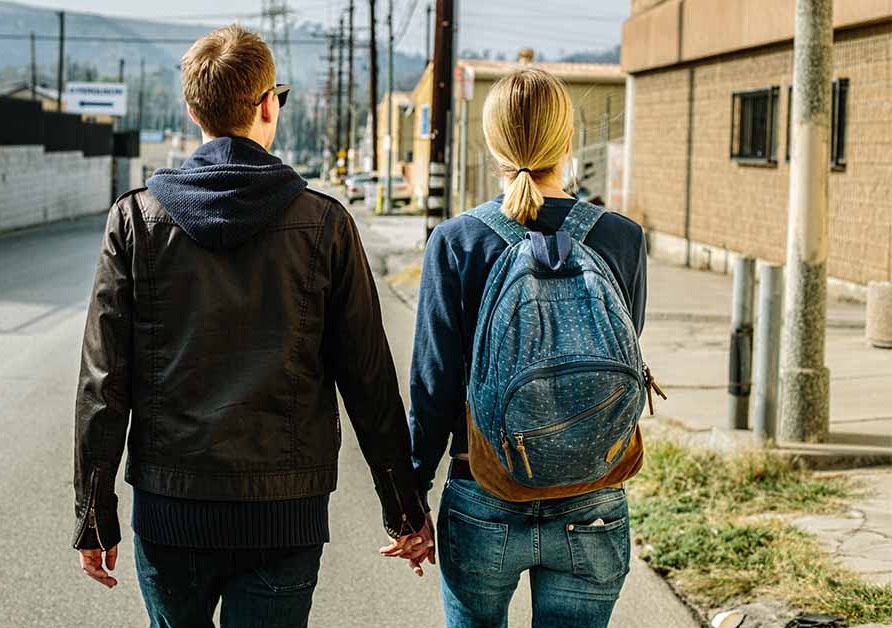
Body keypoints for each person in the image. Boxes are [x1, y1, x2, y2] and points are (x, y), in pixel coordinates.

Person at [71, 24, 429, 628]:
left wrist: (93, 514)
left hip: (170, 510)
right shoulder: (324, 224)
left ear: (192, 112)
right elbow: (367, 378)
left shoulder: (134, 221)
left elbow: (102, 383)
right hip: (283, 515)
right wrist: (404, 507)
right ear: (269, 105)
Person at [402, 68, 649, 628]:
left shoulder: (458, 241)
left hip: (483, 491)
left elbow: (434, 387)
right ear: (567, 141)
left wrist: (411, 502)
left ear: (492, 144)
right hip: (594, 499)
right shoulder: (622, 237)